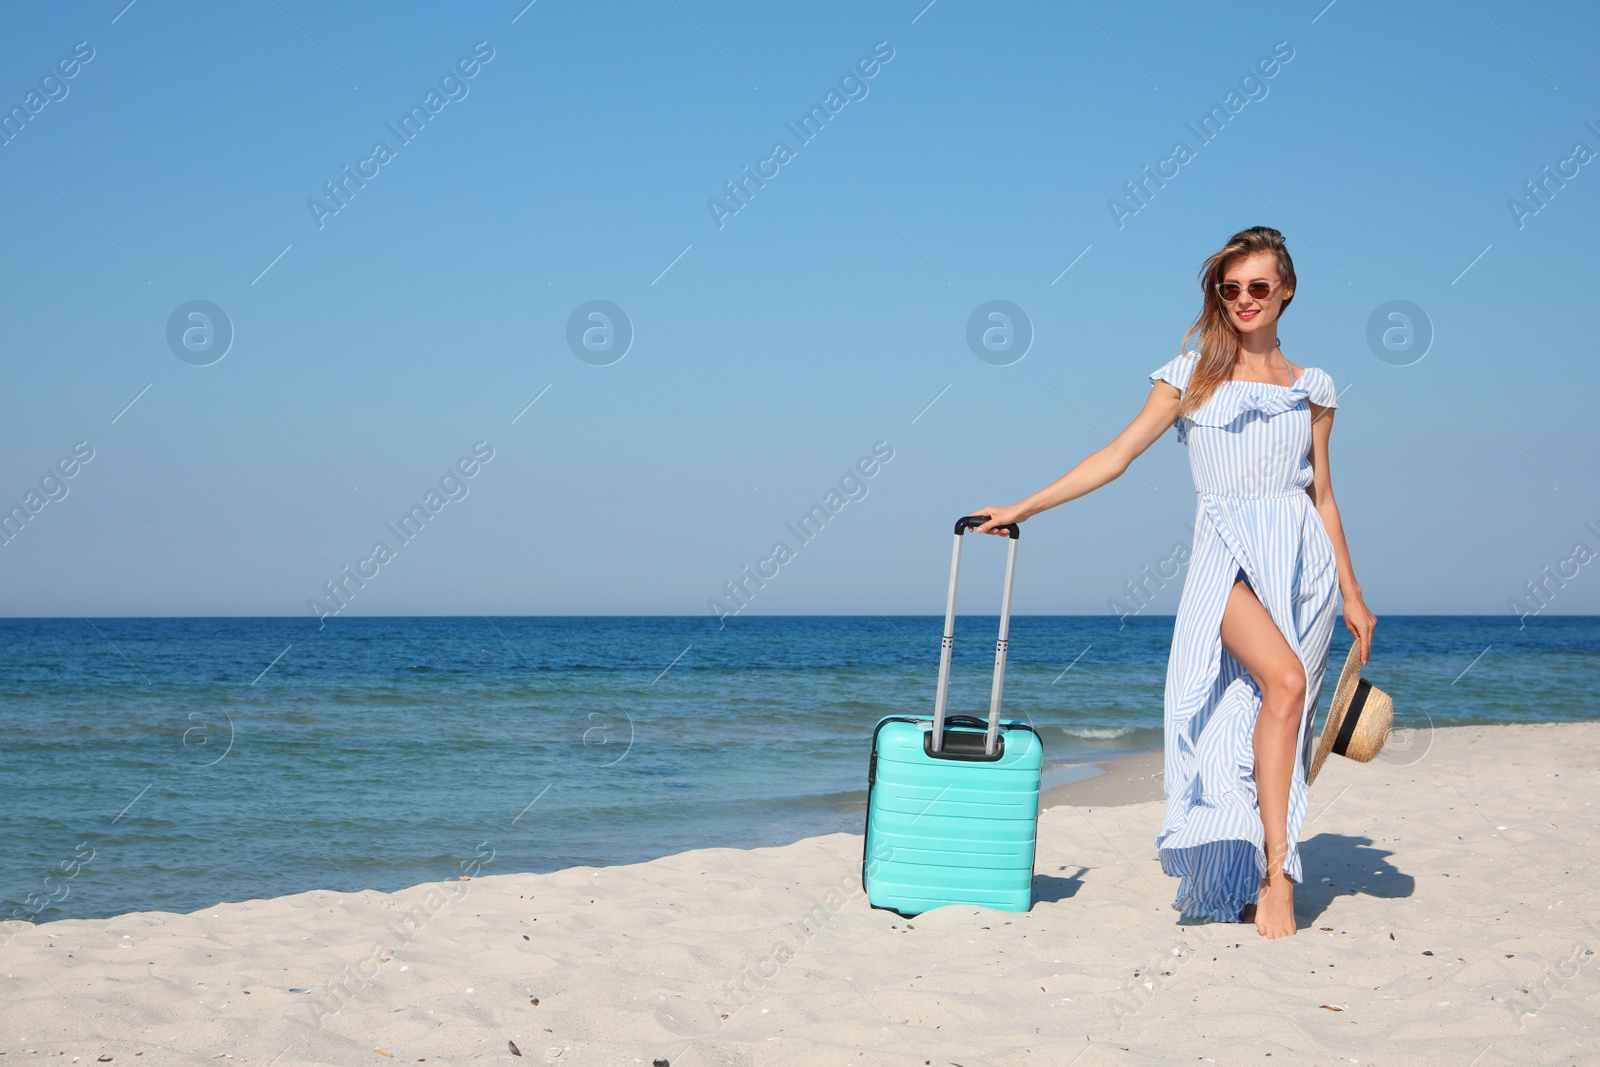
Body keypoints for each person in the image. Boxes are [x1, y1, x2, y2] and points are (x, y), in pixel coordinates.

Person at [970, 225, 1375, 938]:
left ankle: (1259, 869)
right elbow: (1117, 453)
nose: (1244, 299)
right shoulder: (1191, 376)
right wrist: (1024, 505)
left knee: (1272, 715)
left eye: (1257, 286)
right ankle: (1281, 875)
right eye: (1230, 288)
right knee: (1281, 684)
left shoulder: (1313, 389)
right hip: (1227, 554)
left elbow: (1324, 496)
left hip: (1302, 565)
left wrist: (1351, 590)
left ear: (1286, 291)